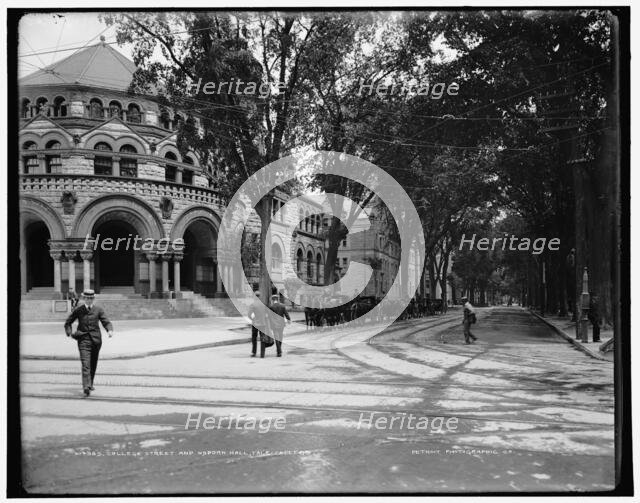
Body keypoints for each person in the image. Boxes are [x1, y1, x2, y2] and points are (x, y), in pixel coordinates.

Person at [64, 289, 113, 397]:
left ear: (93, 299)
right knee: (85, 363)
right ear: (84, 298)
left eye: (91, 298)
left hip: (96, 340)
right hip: (83, 340)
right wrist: (69, 332)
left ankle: (90, 383)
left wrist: (109, 330)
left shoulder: (98, 310)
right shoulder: (79, 310)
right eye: (87, 298)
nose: (89, 300)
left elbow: (106, 321)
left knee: (93, 362)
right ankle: (86, 386)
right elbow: (68, 322)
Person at [248, 291, 268, 358]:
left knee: (254, 338)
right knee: (263, 338)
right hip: (262, 323)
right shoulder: (263, 304)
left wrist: (252, 319)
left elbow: (249, 315)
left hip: (255, 324)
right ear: (259, 296)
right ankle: (262, 354)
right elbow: (266, 314)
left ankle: (254, 352)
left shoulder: (253, 304)